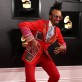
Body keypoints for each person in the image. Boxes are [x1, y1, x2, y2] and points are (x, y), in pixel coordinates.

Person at [18, 1, 67, 82]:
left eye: (60, 17)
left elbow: (63, 43)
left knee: (55, 76)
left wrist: (63, 47)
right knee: (31, 80)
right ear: (50, 16)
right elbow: (23, 25)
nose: (58, 19)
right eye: (56, 16)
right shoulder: (40, 23)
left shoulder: (57, 31)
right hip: (32, 54)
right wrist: (32, 39)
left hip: (44, 56)